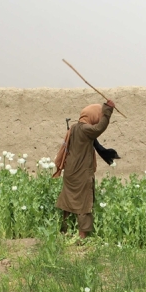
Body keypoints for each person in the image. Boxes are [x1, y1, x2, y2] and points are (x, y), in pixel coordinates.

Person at [54, 100, 115, 238]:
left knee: (67, 200)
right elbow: (99, 128)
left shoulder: (74, 128)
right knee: (84, 203)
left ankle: (64, 230)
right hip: (81, 172)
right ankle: (82, 237)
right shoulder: (85, 129)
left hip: (70, 171)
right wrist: (108, 111)